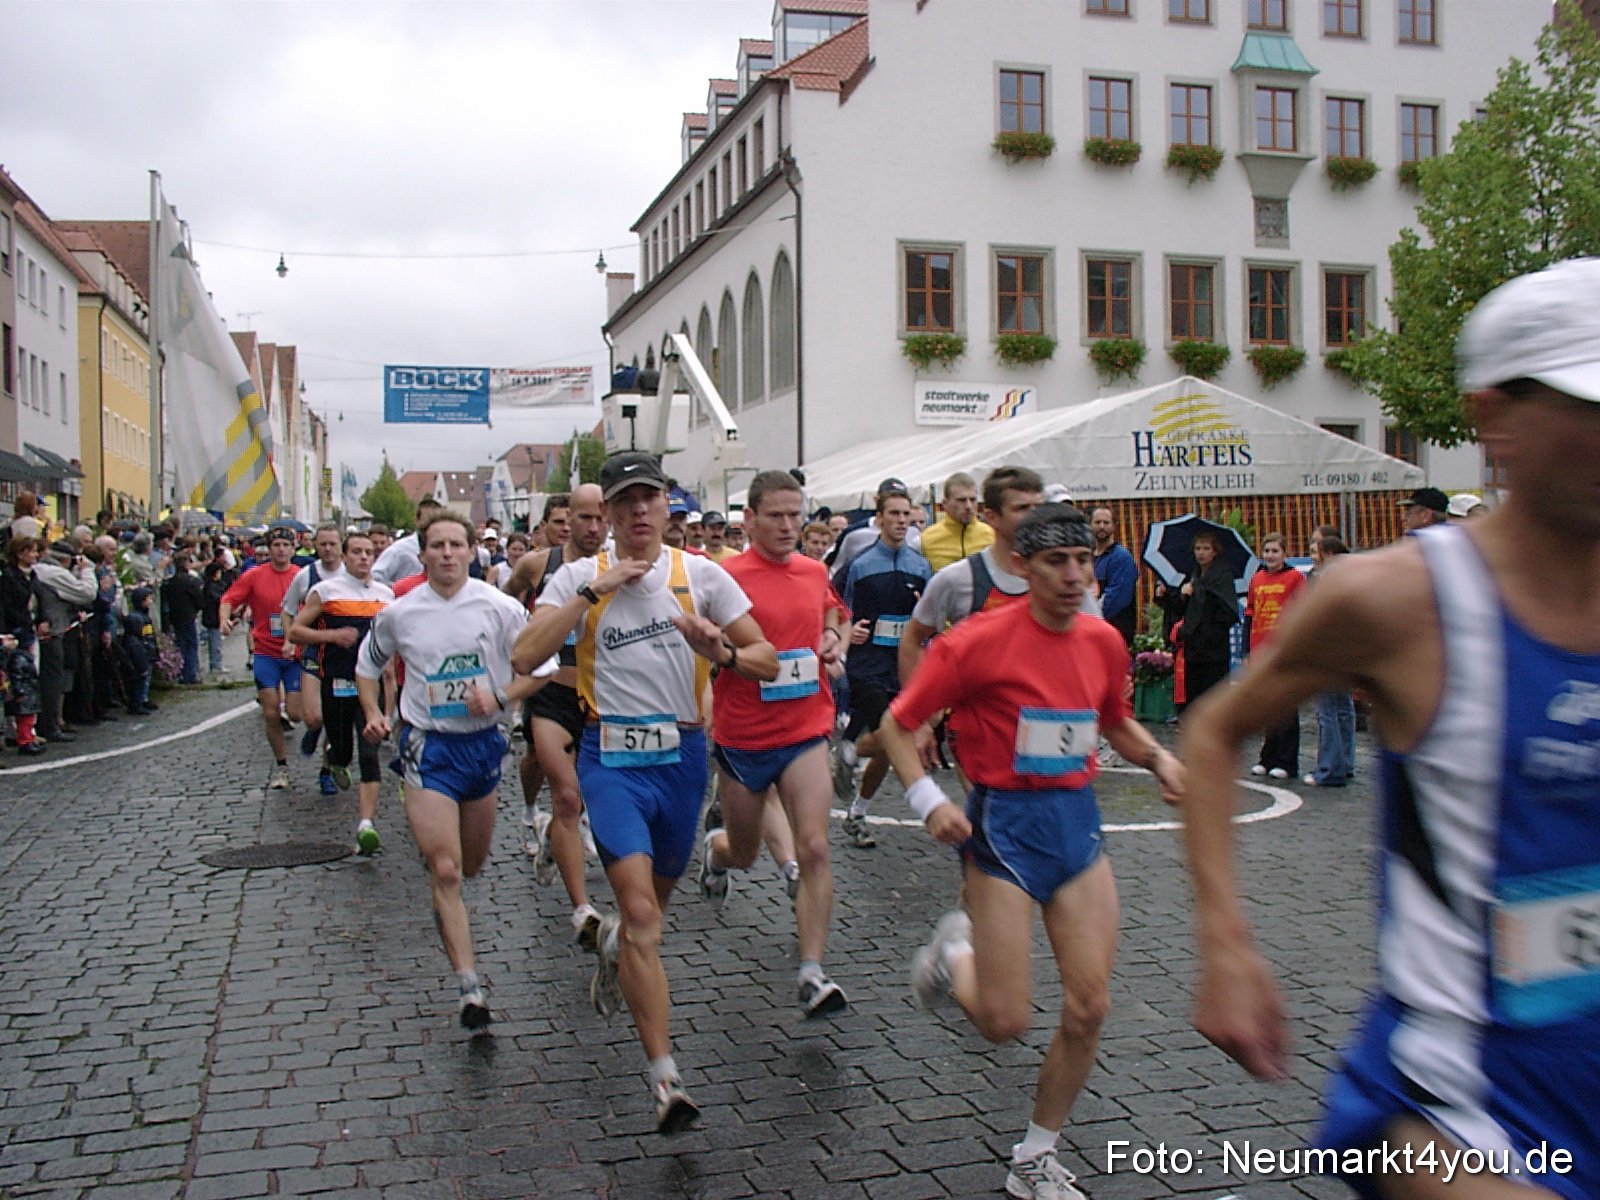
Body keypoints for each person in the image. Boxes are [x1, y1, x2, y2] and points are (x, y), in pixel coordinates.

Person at [1180, 257, 1600, 1200]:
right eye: (1589, 407)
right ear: (1495, 419)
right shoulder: (1397, 599)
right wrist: (1227, 945)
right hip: (1464, 1100)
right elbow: (1211, 733)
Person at [881, 503, 1183, 1200]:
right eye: (1057, 562)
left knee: (1089, 1006)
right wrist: (931, 803)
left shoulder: (1103, 640)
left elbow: (1113, 719)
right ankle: (952, 956)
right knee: (1003, 1022)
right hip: (1004, 834)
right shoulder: (976, 642)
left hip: (1076, 828)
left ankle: (1034, 1158)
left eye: (1083, 560)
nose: (1075, 575)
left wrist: (1160, 760)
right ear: (1022, 564)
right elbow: (897, 726)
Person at [513, 451, 777, 1135]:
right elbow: (523, 654)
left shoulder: (702, 576)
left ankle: (615, 954)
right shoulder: (579, 574)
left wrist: (719, 651)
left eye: (647, 498)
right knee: (640, 915)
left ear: (667, 506)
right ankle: (666, 1080)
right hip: (611, 760)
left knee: (646, 919)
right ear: (607, 515)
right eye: (622, 500)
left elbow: (767, 660)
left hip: (683, 759)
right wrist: (593, 594)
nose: (635, 511)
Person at [357, 511, 552, 1029]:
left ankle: (447, 909)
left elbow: (544, 669)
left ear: (472, 552)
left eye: (455, 545)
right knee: (444, 870)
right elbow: (367, 665)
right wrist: (375, 712)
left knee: (470, 866)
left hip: (483, 748)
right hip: (428, 748)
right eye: (436, 545)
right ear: (421, 554)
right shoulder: (400, 613)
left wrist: (500, 696)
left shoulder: (500, 607)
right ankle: (470, 988)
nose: (446, 553)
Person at [695, 470, 851, 1017]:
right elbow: (700, 646)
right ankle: (714, 854)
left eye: (796, 515)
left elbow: (833, 610)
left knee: (813, 847)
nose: (789, 526)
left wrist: (832, 636)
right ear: (750, 521)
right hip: (744, 737)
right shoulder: (722, 577)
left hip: (806, 726)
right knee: (744, 853)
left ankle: (812, 972)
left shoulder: (813, 570)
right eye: (777, 516)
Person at [502, 483, 611, 949]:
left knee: (581, 797)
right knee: (565, 795)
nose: (588, 528)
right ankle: (582, 908)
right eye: (580, 518)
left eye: (597, 519)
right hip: (548, 690)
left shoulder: (614, 567)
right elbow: (507, 602)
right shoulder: (539, 564)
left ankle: (552, 836)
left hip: (594, 697)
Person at [833, 484, 932, 847]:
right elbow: (839, 608)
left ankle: (857, 806)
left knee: (891, 747)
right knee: (895, 735)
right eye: (894, 514)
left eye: (906, 515)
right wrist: (850, 629)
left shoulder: (920, 567)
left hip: (901, 666)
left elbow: (928, 619)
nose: (901, 521)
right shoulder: (861, 564)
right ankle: (851, 755)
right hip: (868, 665)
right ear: (880, 518)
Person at [290, 530, 394, 854]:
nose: (364, 557)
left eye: (369, 552)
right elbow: (295, 632)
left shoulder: (385, 594)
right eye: (357, 552)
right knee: (343, 750)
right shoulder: (325, 591)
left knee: (369, 751)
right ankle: (334, 760)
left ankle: (366, 824)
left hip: (370, 683)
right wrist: (332, 637)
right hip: (335, 680)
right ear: (345, 558)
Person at [220, 527, 305, 790]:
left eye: (285, 545)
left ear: (293, 549)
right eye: (276, 544)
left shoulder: (302, 577)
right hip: (266, 652)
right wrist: (224, 617)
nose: (281, 549)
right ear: (268, 549)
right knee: (270, 711)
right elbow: (229, 598)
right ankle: (281, 765)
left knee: (296, 713)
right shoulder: (255, 576)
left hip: (296, 654)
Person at [280, 523, 346, 793]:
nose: (328, 549)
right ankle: (314, 729)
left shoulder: (351, 575)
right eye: (323, 544)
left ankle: (326, 771)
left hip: (342, 656)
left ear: (341, 545)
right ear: (314, 546)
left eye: (333, 544)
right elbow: (286, 610)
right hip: (312, 653)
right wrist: (289, 639)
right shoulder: (306, 576)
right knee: (313, 717)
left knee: (336, 719)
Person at [1244, 532, 1306, 779]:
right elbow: (1249, 614)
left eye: (1275, 551)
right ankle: (1267, 757)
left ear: (1284, 553)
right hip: (1260, 650)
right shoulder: (1257, 579)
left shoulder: (1295, 578)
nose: (1270, 556)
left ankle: (1287, 761)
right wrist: (1246, 651)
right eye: (1267, 551)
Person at [1302, 533, 1356, 787]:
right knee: (1343, 709)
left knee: (1327, 711)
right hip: (1346, 650)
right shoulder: (1353, 575)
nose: (1312, 558)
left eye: (1315, 552)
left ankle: (1329, 769)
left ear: (1329, 554)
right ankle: (1345, 763)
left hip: (1327, 649)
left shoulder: (1324, 579)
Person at [33, 540, 97, 743]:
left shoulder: (40, 571)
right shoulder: (54, 573)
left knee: (48, 678)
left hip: (49, 629)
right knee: (52, 679)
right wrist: (87, 571)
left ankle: (46, 723)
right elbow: (86, 593)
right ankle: (49, 725)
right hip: (53, 630)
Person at [1173, 529, 1238, 707]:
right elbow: (1180, 611)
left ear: (1214, 551)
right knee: (1194, 698)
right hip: (1193, 648)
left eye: (1206, 548)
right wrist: (1183, 595)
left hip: (1213, 650)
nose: (1201, 553)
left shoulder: (1222, 577)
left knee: (1213, 699)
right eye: (1198, 548)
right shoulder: (1192, 576)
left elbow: (1228, 612)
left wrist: (1209, 635)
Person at [1, 537, 45, 756]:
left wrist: (41, 620)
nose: (35, 555)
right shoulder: (9, 577)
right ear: (20, 553)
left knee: (28, 682)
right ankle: (16, 733)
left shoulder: (32, 576)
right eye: (32, 551)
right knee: (15, 684)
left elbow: (39, 599)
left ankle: (28, 731)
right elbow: (7, 606)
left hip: (29, 631)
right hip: (15, 633)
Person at [918, 471, 994, 573]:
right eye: (961, 500)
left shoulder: (991, 535)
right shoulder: (926, 540)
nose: (968, 506)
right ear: (945, 503)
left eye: (973, 500)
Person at [1090, 507, 1139, 647]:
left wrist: (1090, 615)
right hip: (1094, 633)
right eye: (1097, 522)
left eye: (1106, 522)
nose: (1101, 526)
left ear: (1114, 526)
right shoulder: (1089, 556)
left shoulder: (1121, 558)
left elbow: (1116, 599)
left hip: (1115, 635)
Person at [372, 498, 443, 585]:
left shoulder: (448, 550)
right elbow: (375, 576)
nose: (432, 525)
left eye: (437, 521)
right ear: (417, 521)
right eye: (427, 521)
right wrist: (400, 590)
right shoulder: (400, 549)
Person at [162, 551, 205, 685]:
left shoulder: (170, 582)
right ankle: (190, 674)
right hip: (189, 615)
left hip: (175, 615)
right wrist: (198, 608)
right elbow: (199, 598)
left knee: (180, 644)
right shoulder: (191, 581)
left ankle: (180, 672)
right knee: (192, 644)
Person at [121, 586, 159, 715]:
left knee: (145, 679)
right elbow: (138, 639)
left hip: (145, 651)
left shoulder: (142, 617)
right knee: (139, 679)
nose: (151, 601)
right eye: (148, 599)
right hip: (141, 652)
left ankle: (143, 700)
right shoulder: (137, 619)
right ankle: (137, 703)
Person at [201, 561, 228, 676]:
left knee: (216, 641)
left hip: (213, 617)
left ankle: (216, 663)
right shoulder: (211, 587)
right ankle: (216, 664)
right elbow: (218, 599)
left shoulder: (213, 585)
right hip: (213, 618)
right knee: (215, 642)